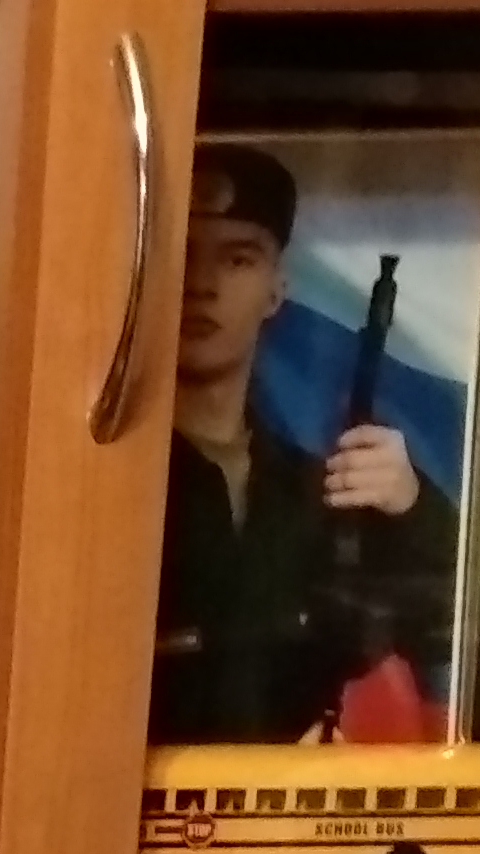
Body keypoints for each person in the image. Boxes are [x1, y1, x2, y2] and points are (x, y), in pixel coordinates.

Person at [150, 141, 458, 747]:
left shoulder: (315, 492)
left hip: (294, 799)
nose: (202, 285)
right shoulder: (104, 487)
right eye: (182, 255)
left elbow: (448, 626)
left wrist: (413, 506)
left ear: (276, 290)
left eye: (238, 259)